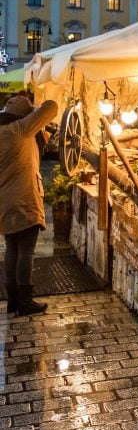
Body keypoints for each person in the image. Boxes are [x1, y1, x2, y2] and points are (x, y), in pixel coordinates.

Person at [0, 95, 59, 316]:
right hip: (23, 200)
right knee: (26, 251)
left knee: (12, 249)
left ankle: (13, 300)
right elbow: (51, 106)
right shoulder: (20, 129)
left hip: (4, 202)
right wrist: (34, 110)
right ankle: (25, 302)